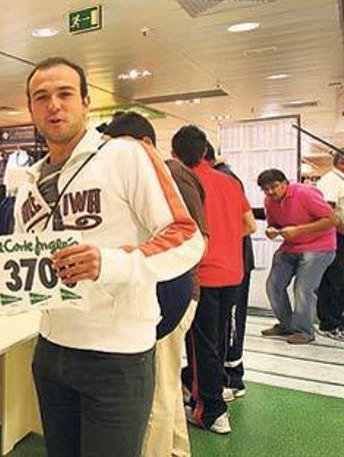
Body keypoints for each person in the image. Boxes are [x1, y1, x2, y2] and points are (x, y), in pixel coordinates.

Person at [0, 57, 205, 457]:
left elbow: (186, 236)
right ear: (31, 109)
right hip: (51, 350)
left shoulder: (125, 155)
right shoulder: (29, 183)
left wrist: (111, 262)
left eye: (65, 94)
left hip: (116, 356)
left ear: (85, 102)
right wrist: (0, 281)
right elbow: (26, 259)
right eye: (41, 97)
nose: (54, 105)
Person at [102, 112, 208, 457]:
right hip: (170, 293)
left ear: (141, 144)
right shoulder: (159, 173)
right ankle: (177, 448)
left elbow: (193, 236)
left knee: (157, 390)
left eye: (116, 146)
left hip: (169, 295)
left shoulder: (168, 172)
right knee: (167, 385)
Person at [173, 125, 255, 435]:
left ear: (177, 155)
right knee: (217, 340)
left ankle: (211, 411)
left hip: (203, 273)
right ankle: (216, 392)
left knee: (201, 344)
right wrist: (225, 234)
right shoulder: (229, 182)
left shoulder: (183, 183)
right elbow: (249, 225)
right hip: (232, 272)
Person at [258, 168, 336, 344]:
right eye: (266, 189)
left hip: (319, 246)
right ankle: (286, 325)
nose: (270, 192)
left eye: (274, 187)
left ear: (285, 183)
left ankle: (304, 331)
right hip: (291, 247)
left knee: (303, 289)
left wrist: (299, 230)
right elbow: (274, 224)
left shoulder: (304, 194)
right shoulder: (269, 201)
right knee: (274, 286)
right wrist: (272, 230)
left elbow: (331, 219)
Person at [204, 143, 255, 398]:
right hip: (232, 262)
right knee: (224, 325)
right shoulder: (227, 176)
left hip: (232, 264)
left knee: (228, 325)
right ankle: (228, 378)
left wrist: (220, 239)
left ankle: (232, 379)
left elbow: (248, 224)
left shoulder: (223, 179)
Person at [315, 151, 344, 340]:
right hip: (335, 235)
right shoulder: (331, 180)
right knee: (333, 280)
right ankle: (329, 323)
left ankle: (338, 320)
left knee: (341, 280)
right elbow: (327, 212)